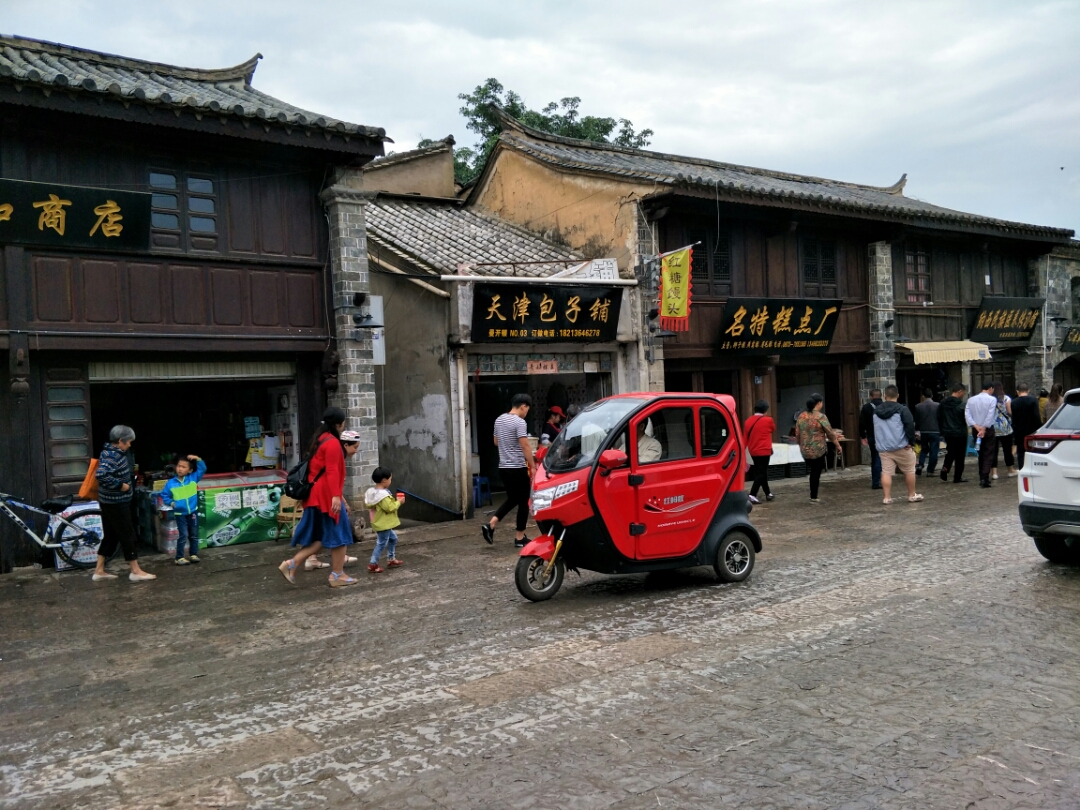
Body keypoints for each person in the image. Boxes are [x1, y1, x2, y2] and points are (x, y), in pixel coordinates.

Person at [278, 411, 358, 587]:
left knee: (320, 538)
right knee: (341, 535)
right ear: (339, 424)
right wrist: (336, 497)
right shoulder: (332, 443)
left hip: (316, 496)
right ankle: (337, 575)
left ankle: (292, 563)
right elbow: (332, 471)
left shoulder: (320, 439)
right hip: (326, 497)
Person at [92, 425, 156, 582]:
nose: (129, 445)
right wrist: (122, 486)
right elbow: (101, 475)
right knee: (128, 534)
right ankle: (135, 570)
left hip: (108, 502)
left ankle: (99, 570)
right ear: (120, 441)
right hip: (116, 503)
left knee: (111, 535)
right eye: (128, 442)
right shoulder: (113, 456)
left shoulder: (108, 452)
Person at [482, 394, 535, 549]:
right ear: (523, 406)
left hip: (503, 467)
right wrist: (532, 465)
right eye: (527, 409)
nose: (527, 413)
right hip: (517, 467)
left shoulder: (499, 419)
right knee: (524, 501)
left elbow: (496, 442)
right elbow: (525, 446)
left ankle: (491, 525)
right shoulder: (520, 422)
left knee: (513, 499)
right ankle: (519, 537)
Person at [874, 386, 921, 504]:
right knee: (909, 470)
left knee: (886, 472)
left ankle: (887, 497)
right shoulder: (902, 409)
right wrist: (911, 442)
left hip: (884, 447)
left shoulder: (876, 411)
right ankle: (911, 495)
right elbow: (910, 426)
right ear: (898, 395)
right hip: (901, 446)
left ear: (885, 396)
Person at [161, 454, 206, 566]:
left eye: (183, 467)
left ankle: (193, 554)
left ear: (190, 470)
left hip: (193, 512)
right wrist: (171, 503)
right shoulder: (170, 483)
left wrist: (198, 459)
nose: (180, 469)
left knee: (194, 534)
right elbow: (165, 495)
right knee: (183, 535)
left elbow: (203, 468)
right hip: (180, 513)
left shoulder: (193, 478)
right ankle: (179, 557)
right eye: (179, 466)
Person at [796, 394, 841, 504]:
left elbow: (797, 433)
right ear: (819, 403)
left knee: (813, 471)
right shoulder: (821, 417)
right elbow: (830, 433)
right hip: (818, 450)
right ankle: (814, 496)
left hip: (805, 449)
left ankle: (813, 495)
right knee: (816, 472)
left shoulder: (801, 416)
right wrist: (837, 445)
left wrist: (800, 444)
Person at [365, 466, 404, 573]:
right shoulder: (382, 495)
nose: (391, 481)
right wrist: (399, 502)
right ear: (384, 480)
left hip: (380, 522)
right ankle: (373, 563)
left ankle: (391, 558)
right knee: (381, 543)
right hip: (383, 523)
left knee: (393, 538)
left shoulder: (373, 492)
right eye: (390, 479)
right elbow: (389, 508)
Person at [965, 380, 999, 489]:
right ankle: (984, 477)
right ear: (990, 388)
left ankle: (982, 475)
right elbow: (990, 414)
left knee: (980, 452)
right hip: (987, 429)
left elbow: (967, 415)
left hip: (976, 429)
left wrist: (976, 426)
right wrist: (984, 428)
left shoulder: (971, 400)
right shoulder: (992, 399)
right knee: (988, 453)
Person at [743, 400, 776, 505]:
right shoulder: (768, 420)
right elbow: (773, 429)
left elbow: (745, 438)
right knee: (761, 473)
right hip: (764, 450)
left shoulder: (747, 421)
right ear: (765, 410)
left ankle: (768, 493)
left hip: (753, 450)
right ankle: (752, 494)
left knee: (761, 472)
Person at [938, 383, 969, 483]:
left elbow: (939, 417)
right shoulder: (962, 405)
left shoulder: (942, 404)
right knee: (960, 455)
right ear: (960, 392)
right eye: (963, 393)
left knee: (950, 451)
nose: (963, 395)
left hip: (947, 432)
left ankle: (945, 468)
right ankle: (957, 476)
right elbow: (965, 419)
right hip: (960, 433)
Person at [1010, 383, 1043, 471]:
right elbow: (1036, 415)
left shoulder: (1014, 402)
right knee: (1033, 450)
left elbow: (1014, 418)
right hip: (1032, 430)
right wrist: (1039, 428)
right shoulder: (1033, 400)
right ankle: (1033, 468)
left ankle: (1022, 468)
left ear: (1017, 391)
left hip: (1019, 430)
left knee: (1021, 452)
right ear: (1028, 390)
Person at [859, 388, 884, 490]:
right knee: (880, 458)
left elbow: (861, 423)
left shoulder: (866, 407)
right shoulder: (885, 406)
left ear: (871, 396)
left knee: (875, 457)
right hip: (883, 436)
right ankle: (877, 481)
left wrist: (863, 436)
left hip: (871, 436)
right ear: (881, 395)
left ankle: (875, 480)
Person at [991, 382, 1017, 480]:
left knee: (994, 451)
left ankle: (994, 473)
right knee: (1007, 450)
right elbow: (1009, 412)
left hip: (993, 427)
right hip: (1005, 428)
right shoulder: (1006, 398)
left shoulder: (991, 399)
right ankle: (1010, 469)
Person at [913, 389, 940, 477]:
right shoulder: (937, 406)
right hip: (935, 430)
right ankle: (930, 470)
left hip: (923, 431)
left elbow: (916, 420)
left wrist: (917, 431)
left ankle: (920, 465)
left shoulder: (918, 406)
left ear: (923, 396)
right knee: (934, 451)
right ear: (932, 396)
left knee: (924, 449)